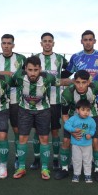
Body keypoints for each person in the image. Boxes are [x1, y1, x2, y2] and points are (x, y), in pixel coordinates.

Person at [57, 30, 98, 182]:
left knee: (94, 137)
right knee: (67, 138)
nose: (88, 42)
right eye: (85, 40)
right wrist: (54, 77)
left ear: (94, 41)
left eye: (91, 39)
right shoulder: (76, 57)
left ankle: (95, 168)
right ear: (81, 41)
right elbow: (67, 73)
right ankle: (66, 167)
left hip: (95, 102)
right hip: (74, 108)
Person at [11, 56, 70, 180]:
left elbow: (61, 82)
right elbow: (7, 81)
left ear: (40, 69)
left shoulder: (48, 78)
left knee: (44, 138)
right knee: (22, 138)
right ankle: (21, 167)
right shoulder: (18, 76)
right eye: (30, 69)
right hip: (24, 110)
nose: (33, 73)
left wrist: (75, 81)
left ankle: (44, 168)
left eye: (36, 70)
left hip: (43, 110)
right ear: (25, 69)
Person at [0, 34, 27, 170]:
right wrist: (5, 73)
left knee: (17, 129)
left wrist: (10, 74)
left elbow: (24, 76)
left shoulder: (21, 59)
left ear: (13, 45)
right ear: (1, 44)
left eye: (9, 43)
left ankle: (17, 157)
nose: (6, 46)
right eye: (4, 43)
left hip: (16, 100)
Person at [30, 32, 69, 171]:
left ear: (53, 43)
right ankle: (36, 159)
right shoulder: (35, 58)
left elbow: (68, 72)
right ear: (41, 43)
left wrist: (63, 81)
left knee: (54, 131)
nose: (47, 43)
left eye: (49, 41)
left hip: (55, 101)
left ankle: (56, 159)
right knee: (38, 132)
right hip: (38, 102)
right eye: (44, 41)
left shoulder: (60, 59)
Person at [55, 70, 98, 182]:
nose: (80, 85)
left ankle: (97, 170)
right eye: (77, 82)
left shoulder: (96, 86)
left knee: (95, 141)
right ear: (74, 82)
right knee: (66, 140)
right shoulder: (67, 93)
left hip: (92, 116)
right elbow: (65, 115)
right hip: (73, 118)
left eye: (84, 82)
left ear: (88, 82)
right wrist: (71, 130)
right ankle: (64, 168)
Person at [64, 99, 96, 183]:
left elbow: (93, 129)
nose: (85, 112)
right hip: (76, 144)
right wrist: (73, 129)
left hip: (87, 145)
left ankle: (88, 175)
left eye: (88, 110)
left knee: (87, 160)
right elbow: (66, 125)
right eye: (83, 110)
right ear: (77, 110)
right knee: (76, 159)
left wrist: (90, 134)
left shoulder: (91, 120)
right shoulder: (73, 119)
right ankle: (76, 174)